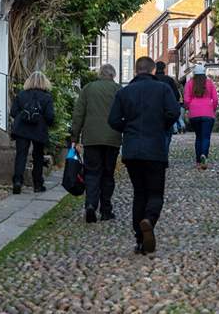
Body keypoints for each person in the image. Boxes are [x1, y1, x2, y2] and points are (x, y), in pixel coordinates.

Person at [108, 56, 181, 255]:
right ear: (151, 71)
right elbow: (174, 112)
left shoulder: (124, 92)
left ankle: (140, 239)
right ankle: (149, 219)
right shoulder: (163, 89)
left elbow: (113, 120)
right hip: (155, 149)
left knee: (139, 193)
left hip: (132, 150)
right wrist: (161, 125)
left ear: (135, 71)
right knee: (155, 193)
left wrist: (128, 128)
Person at [71, 64, 122, 223]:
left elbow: (78, 114)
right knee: (108, 174)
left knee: (92, 173)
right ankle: (106, 209)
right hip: (112, 138)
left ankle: (91, 204)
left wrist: (74, 137)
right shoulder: (118, 89)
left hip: (91, 138)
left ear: (99, 74)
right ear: (113, 75)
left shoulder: (88, 89)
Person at [10, 71, 55, 194]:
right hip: (39, 129)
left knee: (21, 155)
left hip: (22, 129)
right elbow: (50, 116)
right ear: (44, 82)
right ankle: (37, 184)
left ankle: (17, 181)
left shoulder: (21, 94)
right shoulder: (47, 97)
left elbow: (13, 112)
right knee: (38, 157)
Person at [184, 64, 219, 170]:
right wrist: (212, 108)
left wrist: (189, 107)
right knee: (206, 137)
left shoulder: (190, 83)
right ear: (204, 73)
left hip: (194, 114)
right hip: (208, 113)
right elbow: (216, 99)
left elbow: (186, 99)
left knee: (198, 137)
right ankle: (204, 155)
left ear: (194, 73)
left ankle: (198, 161)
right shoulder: (209, 83)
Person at [154, 61, 184, 137]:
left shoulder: (152, 80)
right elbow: (176, 95)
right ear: (164, 68)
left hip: (154, 110)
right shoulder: (169, 80)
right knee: (167, 134)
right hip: (167, 109)